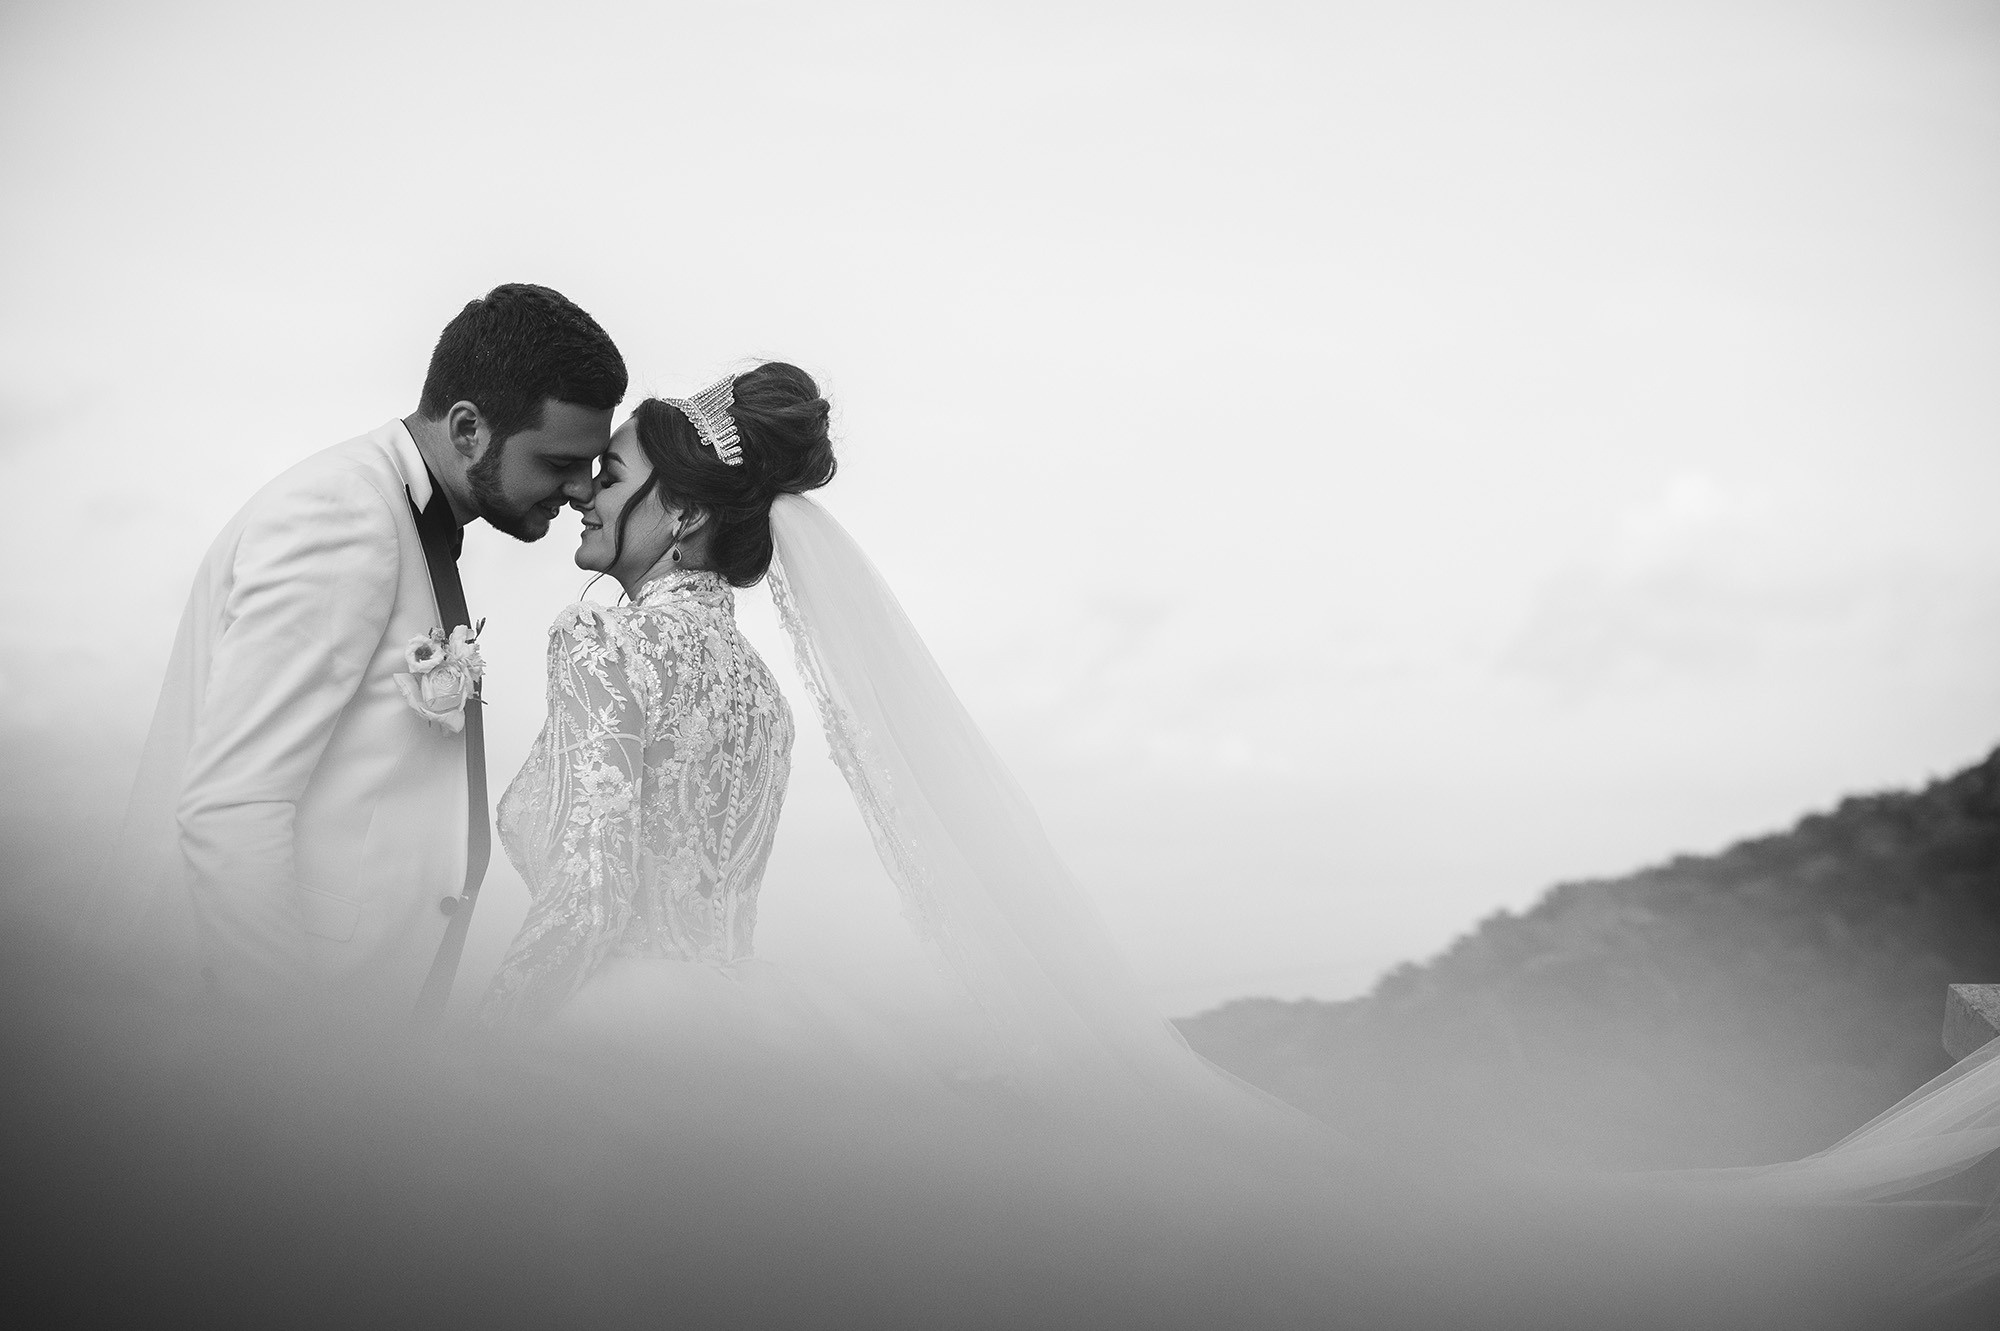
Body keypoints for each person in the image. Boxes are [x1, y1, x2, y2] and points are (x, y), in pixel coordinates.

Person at [95, 283, 627, 1023]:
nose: (580, 489)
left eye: (593, 464)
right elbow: (234, 804)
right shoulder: (344, 512)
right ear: (468, 428)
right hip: (262, 1030)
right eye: (559, 461)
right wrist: (286, 1053)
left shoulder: (399, 511)